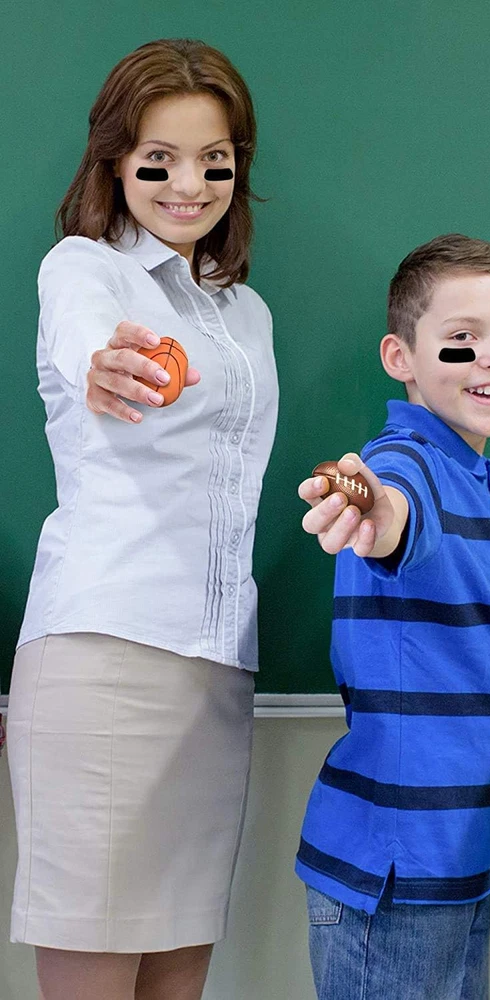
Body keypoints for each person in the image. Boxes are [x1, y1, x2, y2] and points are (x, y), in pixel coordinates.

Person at [6, 39, 278, 1000]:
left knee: (178, 971)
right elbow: (93, 346)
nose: (189, 185)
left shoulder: (245, 314)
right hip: (106, 656)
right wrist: (107, 364)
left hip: (216, 667)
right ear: (116, 161)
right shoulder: (84, 271)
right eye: (159, 160)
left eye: (215, 160)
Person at [295, 234, 490, 1000]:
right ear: (401, 356)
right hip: (396, 875)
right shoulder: (409, 459)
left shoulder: (470, 472)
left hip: (457, 864)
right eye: (463, 339)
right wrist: (371, 507)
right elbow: (394, 508)